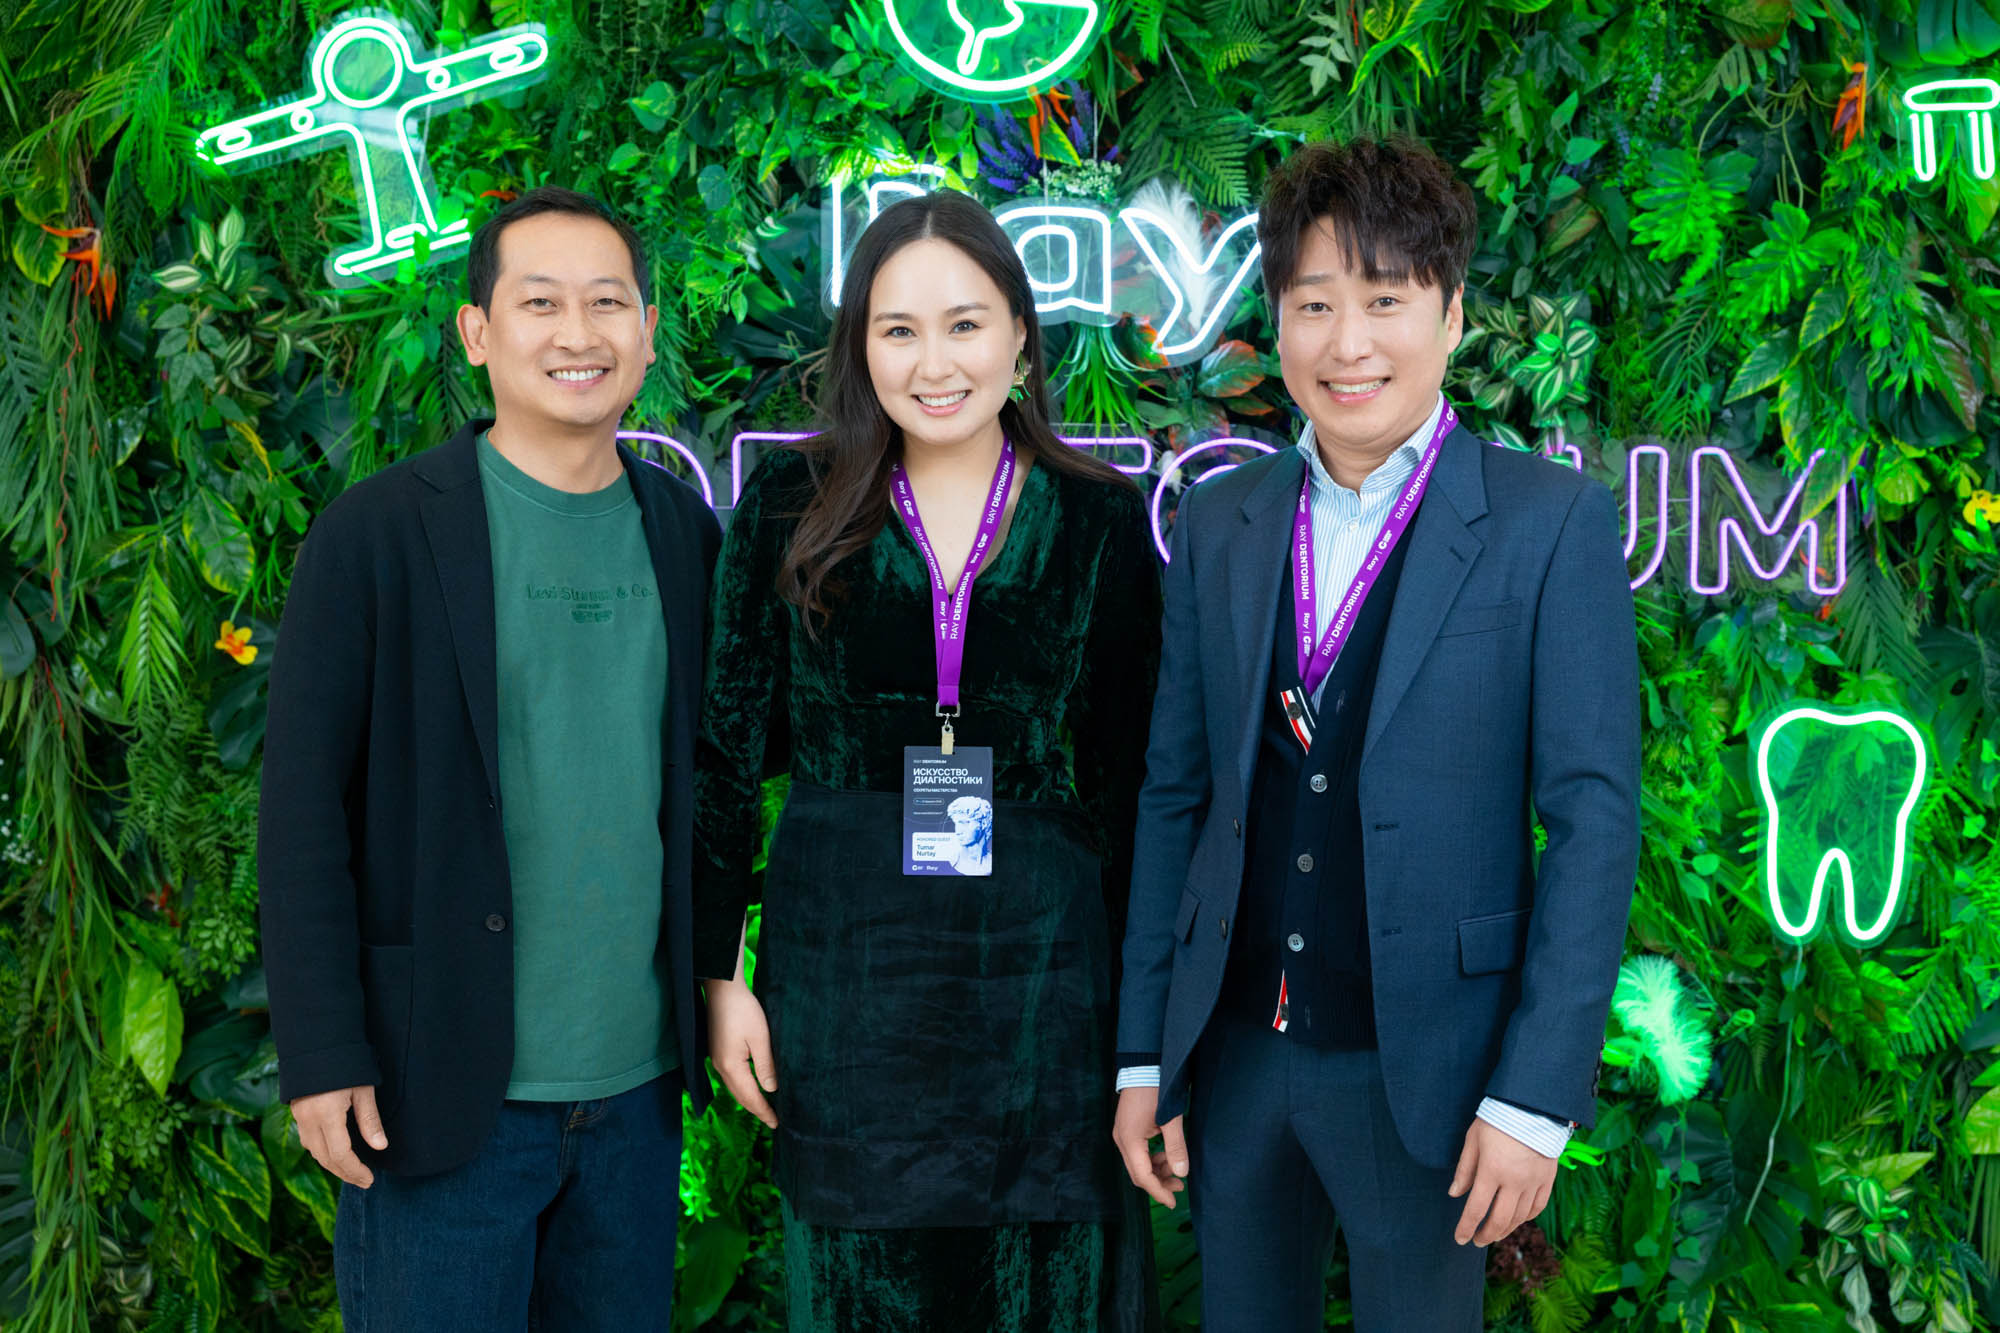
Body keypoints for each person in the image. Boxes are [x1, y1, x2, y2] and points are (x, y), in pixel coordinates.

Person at [1110, 136, 1641, 1331]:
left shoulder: (1546, 523)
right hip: (1236, 1062)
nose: (1346, 342)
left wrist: (1533, 1096)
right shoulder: (1219, 521)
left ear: (1449, 317)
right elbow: (1175, 796)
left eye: (1385, 300)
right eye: (1313, 304)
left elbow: (1593, 823)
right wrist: (1146, 1053)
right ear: (1276, 326)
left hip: (1435, 1080)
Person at [694, 190, 1163, 1332]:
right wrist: (719, 974)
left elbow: (1137, 789)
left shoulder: (1099, 518)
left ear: (1019, 335)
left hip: (1046, 1001)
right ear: (860, 347)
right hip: (847, 995)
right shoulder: (787, 506)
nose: (934, 362)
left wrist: (1145, 1042)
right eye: (898, 329)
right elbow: (723, 753)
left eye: (964, 324)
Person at [259, 186, 721, 1331]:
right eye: (540, 303)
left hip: (634, 1100)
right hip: (437, 1092)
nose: (578, 334)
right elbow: (302, 812)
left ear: (646, 331)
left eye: (607, 302)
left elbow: (709, 791)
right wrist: (321, 1051)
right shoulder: (376, 533)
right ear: (478, 332)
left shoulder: (683, 533)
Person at [946, 795, 995, 875]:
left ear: (983, 824)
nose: (958, 831)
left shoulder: (992, 862)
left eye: (964, 823)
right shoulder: (952, 861)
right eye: (956, 824)